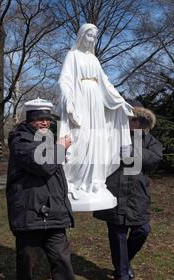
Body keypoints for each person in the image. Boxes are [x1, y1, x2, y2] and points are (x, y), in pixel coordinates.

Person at [6, 98, 78, 280]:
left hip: (54, 213)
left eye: (47, 119)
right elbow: (43, 164)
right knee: (27, 261)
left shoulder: (50, 141)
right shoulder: (21, 141)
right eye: (40, 119)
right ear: (29, 120)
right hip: (29, 214)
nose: (45, 123)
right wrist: (61, 148)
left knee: (62, 262)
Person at [57, 23, 134, 209]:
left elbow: (105, 82)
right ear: (82, 36)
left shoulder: (94, 60)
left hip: (96, 101)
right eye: (89, 35)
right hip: (80, 98)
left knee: (97, 138)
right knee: (81, 138)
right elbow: (64, 80)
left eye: (94, 36)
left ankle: (95, 181)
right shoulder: (72, 56)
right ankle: (75, 180)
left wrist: (119, 100)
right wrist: (68, 98)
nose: (92, 39)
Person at [93, 105, 163, 280]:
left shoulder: (149, 141)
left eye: (138, 119)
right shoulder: (111, 137)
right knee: (118, 236)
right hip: (114, 193)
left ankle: (124, 262)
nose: (134, 122)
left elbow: (155, 159)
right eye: (131, 119)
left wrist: (132, 151)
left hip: (137, 195)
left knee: (142, 229)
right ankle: (121, 275)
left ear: (142, 122)